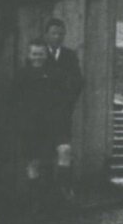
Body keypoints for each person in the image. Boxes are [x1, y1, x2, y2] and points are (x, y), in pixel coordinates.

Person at [37, 16, 84, 192]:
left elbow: (78, 82)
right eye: (54, 33)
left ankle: (63, 190)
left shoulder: (69, 56)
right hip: (42, 115)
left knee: (64, 150)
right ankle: (46, 194)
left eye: (60, 33)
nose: (57, 37)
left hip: (62, 113)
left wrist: (67, 101)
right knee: (45, 154)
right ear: (46, 35)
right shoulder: (39, 54)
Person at [14, 40, 56, 194]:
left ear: (46, 55)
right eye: (34, 54)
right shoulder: (22, 75)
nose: (37, 57)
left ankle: (49, 199)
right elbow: (15, 101)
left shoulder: (53, 75)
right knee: (32, 163)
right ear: (29, 55)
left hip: (48, 126)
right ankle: (35, 200)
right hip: (29, 127)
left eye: (41, 54)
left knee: (48, 161)